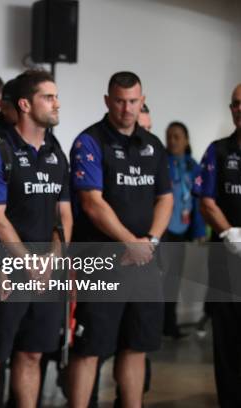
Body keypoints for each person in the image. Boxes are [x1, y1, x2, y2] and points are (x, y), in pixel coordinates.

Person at [67, 71, 173, 408]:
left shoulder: (153, 145)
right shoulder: (89, 141)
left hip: (143, 260)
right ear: (107, 101)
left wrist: (150, 241)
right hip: (101, 262)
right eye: (119, 101)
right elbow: (92, 203)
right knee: (89, 348)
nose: (126, 108)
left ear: (141, 101)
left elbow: (166, 199)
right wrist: (131, 242)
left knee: (136, 345)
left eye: (132, 101)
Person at [0, 69, 72, 408]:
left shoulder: (57, 152)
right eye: (49, 96)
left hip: (46, 272)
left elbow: (64, 216)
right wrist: (28, 263)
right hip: (7, 271)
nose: (57, 103)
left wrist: (54, 260)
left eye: (56, 96)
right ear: (26, 104)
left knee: (32, 355)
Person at [194, 83, 241, 408]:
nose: (240, 109)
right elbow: (206, 201)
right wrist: (229, 233)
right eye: (236, 103)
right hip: (227, 259)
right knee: (227, 338)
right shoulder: (218, 151)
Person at [161, 121, 205, 338]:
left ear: (186, 140)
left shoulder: (194, 167)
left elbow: (198, 202)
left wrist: (199, 231)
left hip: (182, 228)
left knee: (173, 277)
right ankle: (158, 324)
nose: (172, 141)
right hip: (162, 229)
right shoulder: (161, 163)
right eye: (169, 136)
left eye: (177, 136)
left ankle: (170, 324)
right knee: (159, 277)